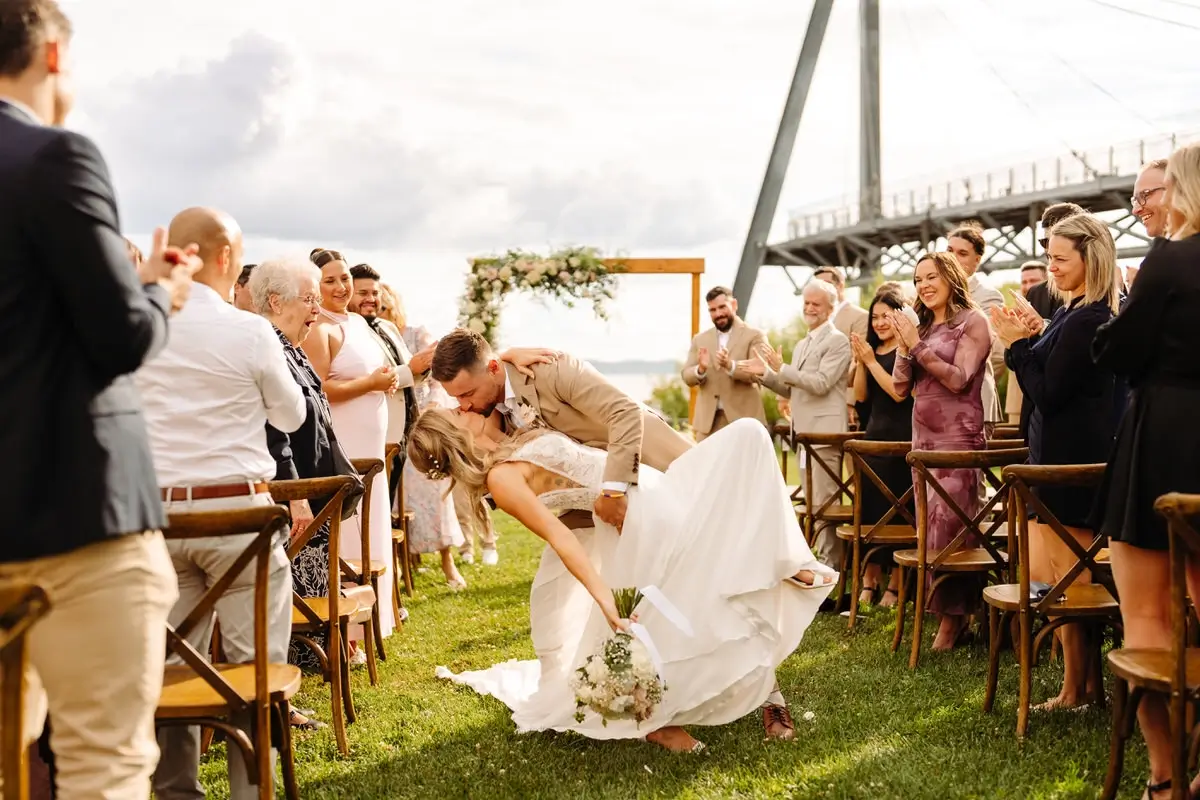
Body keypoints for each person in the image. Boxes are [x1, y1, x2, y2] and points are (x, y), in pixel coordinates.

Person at [0, 1, 199, 795]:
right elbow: (119, 338)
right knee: (102, 762)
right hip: (77, 515)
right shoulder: (54, 158)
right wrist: (160, 293)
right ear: (53, 55)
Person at [409, 410, 834, 753]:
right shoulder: (501, 481)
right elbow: (561, 539)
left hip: (655, 490)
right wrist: (604, 600)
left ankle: (782, 561)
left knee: (748, 437)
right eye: (455, 411)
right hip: (636, 522)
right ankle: (659, 722)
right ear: (454, 436)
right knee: (696, 601)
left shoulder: (506, 442)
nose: (462, 407)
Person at [137, 208, 304, 800]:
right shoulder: (249, 330)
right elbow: (291, 415)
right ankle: (249, 792)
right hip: (241, 523)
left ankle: (175, 792)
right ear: (227, 257)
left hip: (156, 522)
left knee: (169, 671)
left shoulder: (140, 329)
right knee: (251, 673)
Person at [1092, 142, 1200, 800]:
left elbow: (1118, 352)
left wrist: (1131, 302)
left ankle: (1164, 779)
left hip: (1162, 436)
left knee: (1149, 620)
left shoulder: (1169, 259)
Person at [992, 213, 1121, 711]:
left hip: (1070, 465)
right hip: (1054, 458)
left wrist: (1017, 346)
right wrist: (1036, 332)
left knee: (1072, 582)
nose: (1052, 267)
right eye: (1048, 257)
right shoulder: (1071, 313)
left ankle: (1080, 689)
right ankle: (1077, 686)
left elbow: (1047, 392)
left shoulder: (1090, 316)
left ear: (1091, 258)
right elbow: (1054, 362)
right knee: (1058, 581)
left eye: (1060, 259)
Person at [889, 252, 991, 652]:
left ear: (950, 277)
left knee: (954, 528)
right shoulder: (923, 326)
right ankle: (943, 615)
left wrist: (916, 346)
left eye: (930, 277)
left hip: (958, 439)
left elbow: (958, 378)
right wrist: (903, 345)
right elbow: (900, 389)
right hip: (923, 440)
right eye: (917, 280)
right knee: (928, 528)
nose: (923, 286)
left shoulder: (974, 322)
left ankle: (956, 621)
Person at [848, 287, 914, 608]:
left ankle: (898, 584)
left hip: (903, 439)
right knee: (872, 513)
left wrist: (872, 361)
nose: (879, 323)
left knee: (901, 514)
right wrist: (862, 361)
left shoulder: (906, 349)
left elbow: (899, 393)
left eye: (886, 316)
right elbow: (861, 397)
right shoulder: (872, 351)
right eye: (874, 317)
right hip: (874, 436)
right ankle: (869, 579)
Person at [682, 286, 768, 441]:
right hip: (708, 425)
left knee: (743, 465)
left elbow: (760, 373)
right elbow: (687, 375)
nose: (718, 314)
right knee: (708, 466)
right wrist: (700, 370)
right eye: (712, 310)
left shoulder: (755, 335)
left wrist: (731, 366)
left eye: (722, 307)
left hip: (744, 420)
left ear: (734, 305)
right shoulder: (700, 339)